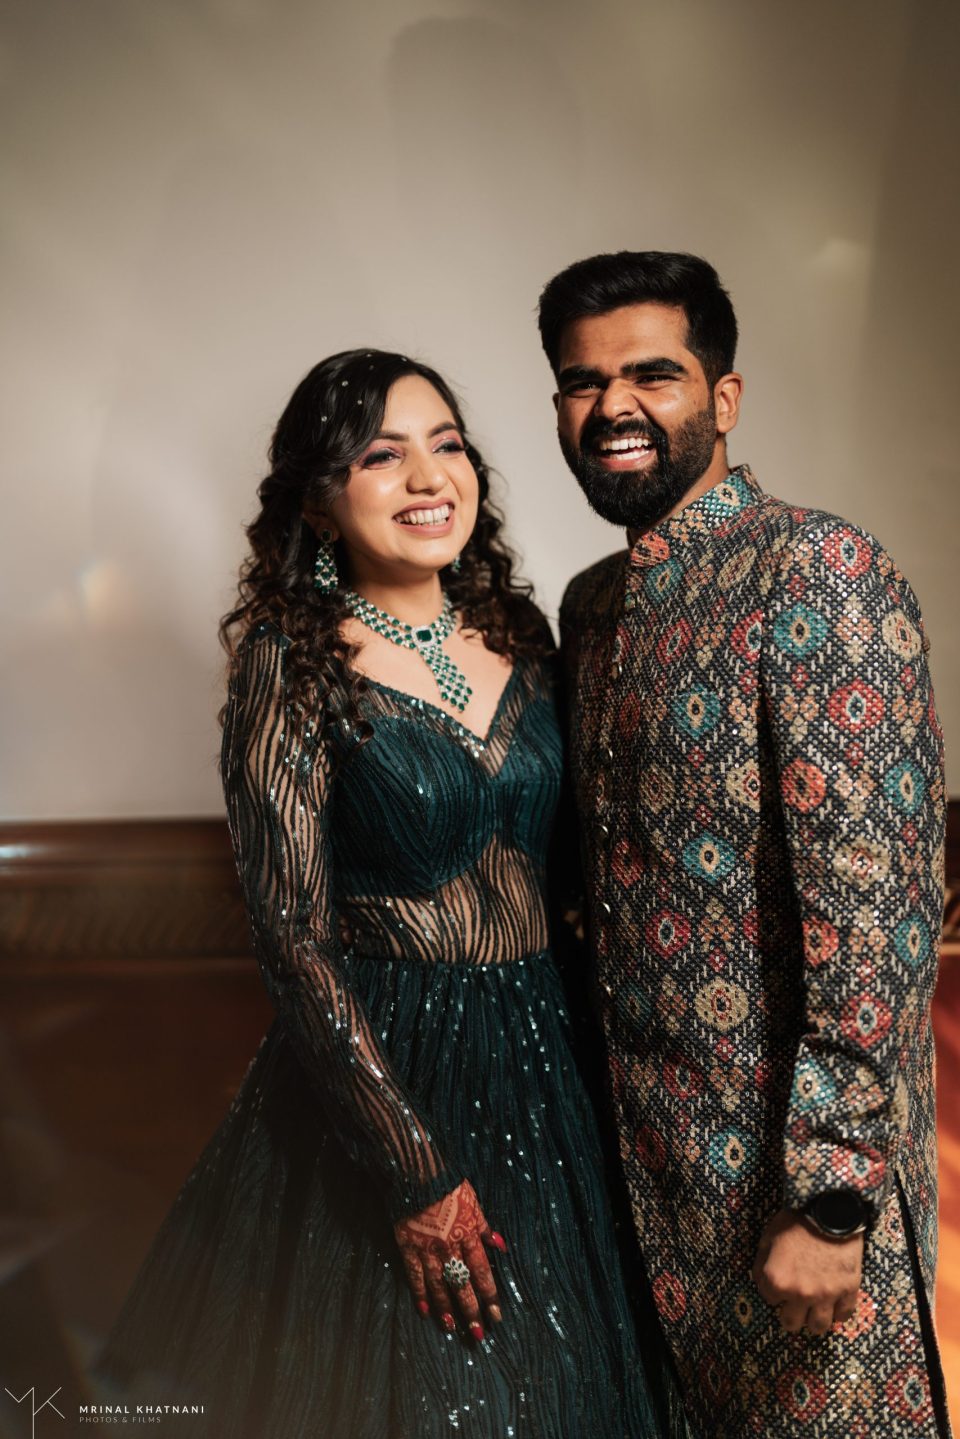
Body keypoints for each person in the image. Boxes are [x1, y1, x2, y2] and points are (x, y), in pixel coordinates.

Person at [93, 349, 680, 1437]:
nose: (427, 476)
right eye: (381, 455)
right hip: (392, 1067)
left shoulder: (527, 637)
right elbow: (289, 935)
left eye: (446, 444)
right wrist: (413, 1171)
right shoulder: (290, 661)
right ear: (320, 500)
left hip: (550, 1062)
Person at [542, 251, 951, 1438]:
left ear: (722, 398)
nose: (613, 406)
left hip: (794, 1193)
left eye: (652, 374)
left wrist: (833, 1197)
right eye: (583, 382)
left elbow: (875, 910)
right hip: (648, 1188)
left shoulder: (817, 570)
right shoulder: (592, 607)